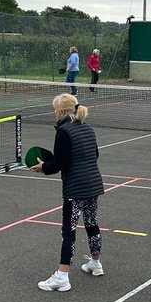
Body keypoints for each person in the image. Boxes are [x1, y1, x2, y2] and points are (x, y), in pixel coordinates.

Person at [31, 93, 105, 291]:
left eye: (55, 109)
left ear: (61, 111)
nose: (54, 112)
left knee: (69, 231)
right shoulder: (87, 128)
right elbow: (94, 154)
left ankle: (62, 276)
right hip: (93, 185)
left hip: (75, 188)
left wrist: (43, 166)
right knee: (92, 223)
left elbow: (59, 164)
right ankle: (95, 263)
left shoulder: (64, 131)